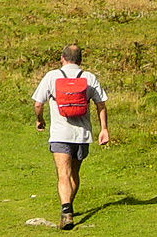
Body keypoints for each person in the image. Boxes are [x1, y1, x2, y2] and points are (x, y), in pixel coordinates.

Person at [31, 43, 109, 230]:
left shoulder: (52, 76)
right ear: (80, 60)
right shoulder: (89, 78)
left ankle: (66, 211)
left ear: (62, 58)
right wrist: (104, 129)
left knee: (63, 174)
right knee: (74, 173)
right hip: (82, 135)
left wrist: (40, 119)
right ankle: (69, 208)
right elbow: (101, 105)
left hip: (60, 134)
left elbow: (38, 104)